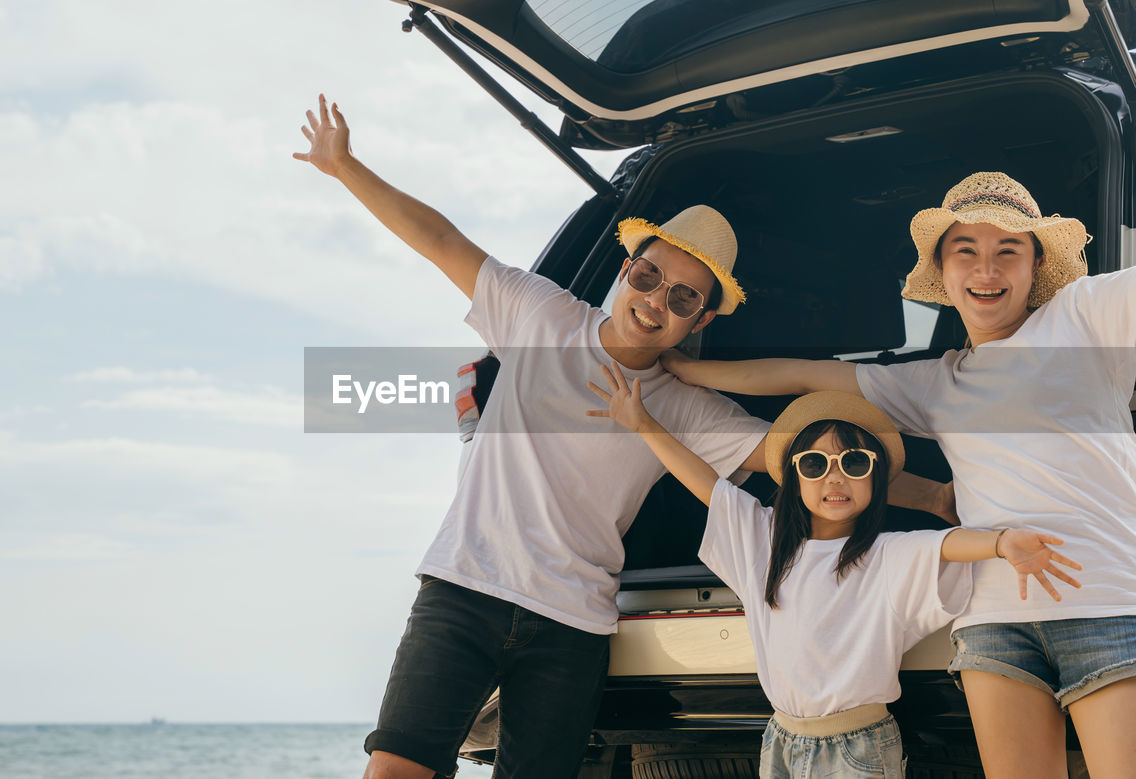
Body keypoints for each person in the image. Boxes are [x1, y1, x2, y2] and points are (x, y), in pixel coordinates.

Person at [293, 94, 953, 779]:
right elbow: (441, 240)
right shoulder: (540, 316)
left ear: (696, 320)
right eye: (649, 276)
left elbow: (806, 464)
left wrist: (935, 498)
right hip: (464, 593)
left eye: (682, 297)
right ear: (625, 269)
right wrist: (345, 166)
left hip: (573, 625)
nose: (656, 300)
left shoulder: (685, 406)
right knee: (396, 768)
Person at [658, 171, 1136, 778]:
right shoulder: (938, 381)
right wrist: (682, 370)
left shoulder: (1084, 317)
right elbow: (808, 377)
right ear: (943, 268)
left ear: (1035, 265)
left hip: (1106, 605)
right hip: (995, 622)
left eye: (1007, 251)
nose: (986, 271)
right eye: (967, 252)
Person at [588, 378, 1082, 777]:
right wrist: (643, 424)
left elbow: (946, 545)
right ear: (794, 476)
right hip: (780, 738)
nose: (834, 477)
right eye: (815, 464)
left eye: (853, 462)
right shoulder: (761, 542)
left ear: (876, 475)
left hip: (858, 749)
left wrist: (1000, 543)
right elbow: (703, 481)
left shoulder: (886, 555)